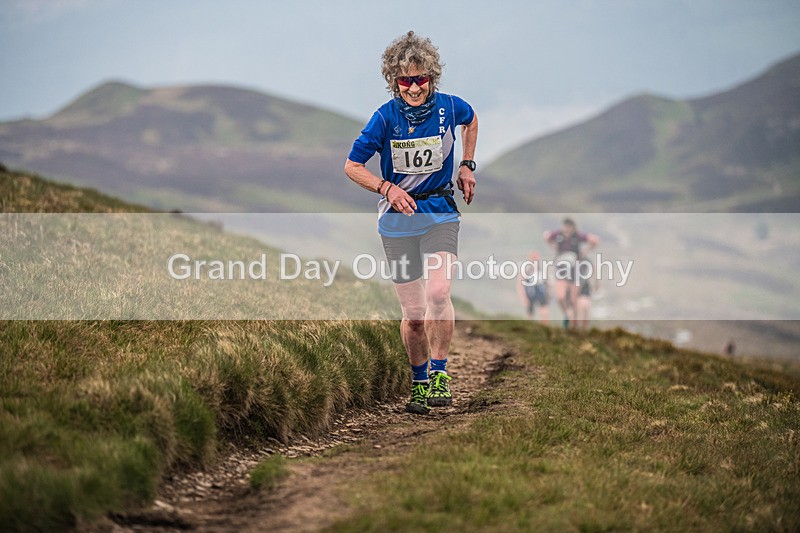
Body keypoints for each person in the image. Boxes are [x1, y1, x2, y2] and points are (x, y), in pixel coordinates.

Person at [344, 31, 478, 415]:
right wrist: (387, 188)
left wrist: (467, 165)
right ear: (394, 82)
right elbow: (352, 166)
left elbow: (471, 121)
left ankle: (439, 373)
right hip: (397, 224)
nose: (415, 87)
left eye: (422, 79)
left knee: (439, 292)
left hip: (439, 213)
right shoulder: (384, 118)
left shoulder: (451, 107)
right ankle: (419, 384)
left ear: (432, 77)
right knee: (415, 315)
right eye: (406, 80)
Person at [543, 217, 599, 329]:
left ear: (573, 228)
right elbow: (546, 235)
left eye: (569, 227)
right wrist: (554, 247)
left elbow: (595, 240)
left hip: (574, 269)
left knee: (574, 300)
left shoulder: (578, 236)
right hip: (561, 268)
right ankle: (567, 314)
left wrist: (585, 251)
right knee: (560, 296)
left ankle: (574, 324)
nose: (567, 230)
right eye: (565, 227)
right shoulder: (557, 235)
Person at [518, 250, 549, 323]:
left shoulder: (542, 270)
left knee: (544, 309)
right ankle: (530, 328)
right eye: (532, 257)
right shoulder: (525, 270)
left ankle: (544, 325)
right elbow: (520, 285)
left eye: (535, 257)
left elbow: (547, 283)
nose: (534, 259)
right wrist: (523, 297)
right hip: (530, 291)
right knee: (530, 312)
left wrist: (548, 293)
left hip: (541, 291)